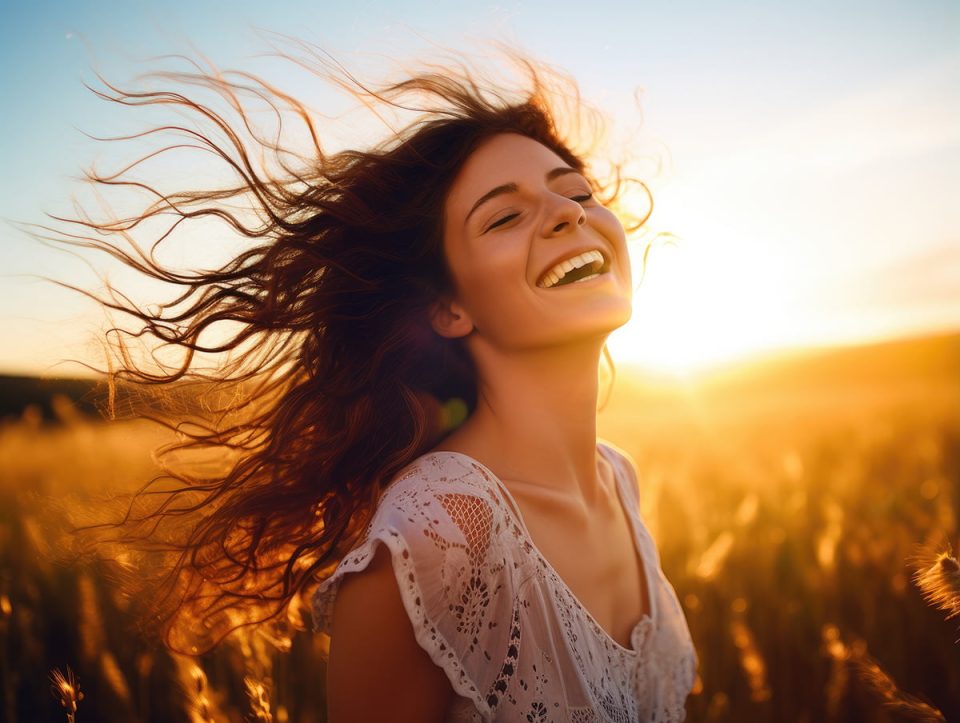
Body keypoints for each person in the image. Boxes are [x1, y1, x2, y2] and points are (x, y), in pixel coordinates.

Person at [50, 42, 697, 722]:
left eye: (577, 192)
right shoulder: (434, 536)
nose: (570, 213)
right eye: (504, 216)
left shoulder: (617, 479)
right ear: (449, 307)